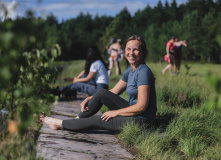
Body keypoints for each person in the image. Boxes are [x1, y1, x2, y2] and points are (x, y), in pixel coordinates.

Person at [40, 35, 157, 132]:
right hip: (134, 113)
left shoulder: (143, 72)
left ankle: (58, 123)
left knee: (99, 119)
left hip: (143, 121)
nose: (131, 53)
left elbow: (141, 106)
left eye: (135, 49)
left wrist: (115, 113)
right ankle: (75, 121)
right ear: (124, 50)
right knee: (101, 93)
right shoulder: (130, 70)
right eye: (128, 49)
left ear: (142, 53)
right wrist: (91, 98)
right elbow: (112, 92)